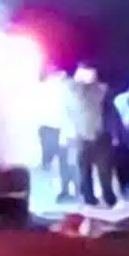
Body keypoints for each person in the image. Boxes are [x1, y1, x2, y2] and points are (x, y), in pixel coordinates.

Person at [64, 63, 115, 209]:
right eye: (89, 72)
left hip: (100, 136)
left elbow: (103, 90)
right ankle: (89, 199)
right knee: (84, 171)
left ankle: (109, 198)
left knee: (104, 171)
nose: (92, 74)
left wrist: (90, 80)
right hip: (81, 137)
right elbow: (71, 88)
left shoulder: (99, 89)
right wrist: (80, 77)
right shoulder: (73, 88)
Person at [36, 67, 73, 200]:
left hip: (52, 128)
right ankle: (63, 191)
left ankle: (63, 191)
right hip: (53, 128)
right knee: (63, 162)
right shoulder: (60, 88)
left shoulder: (47, 88)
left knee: (62, 162)